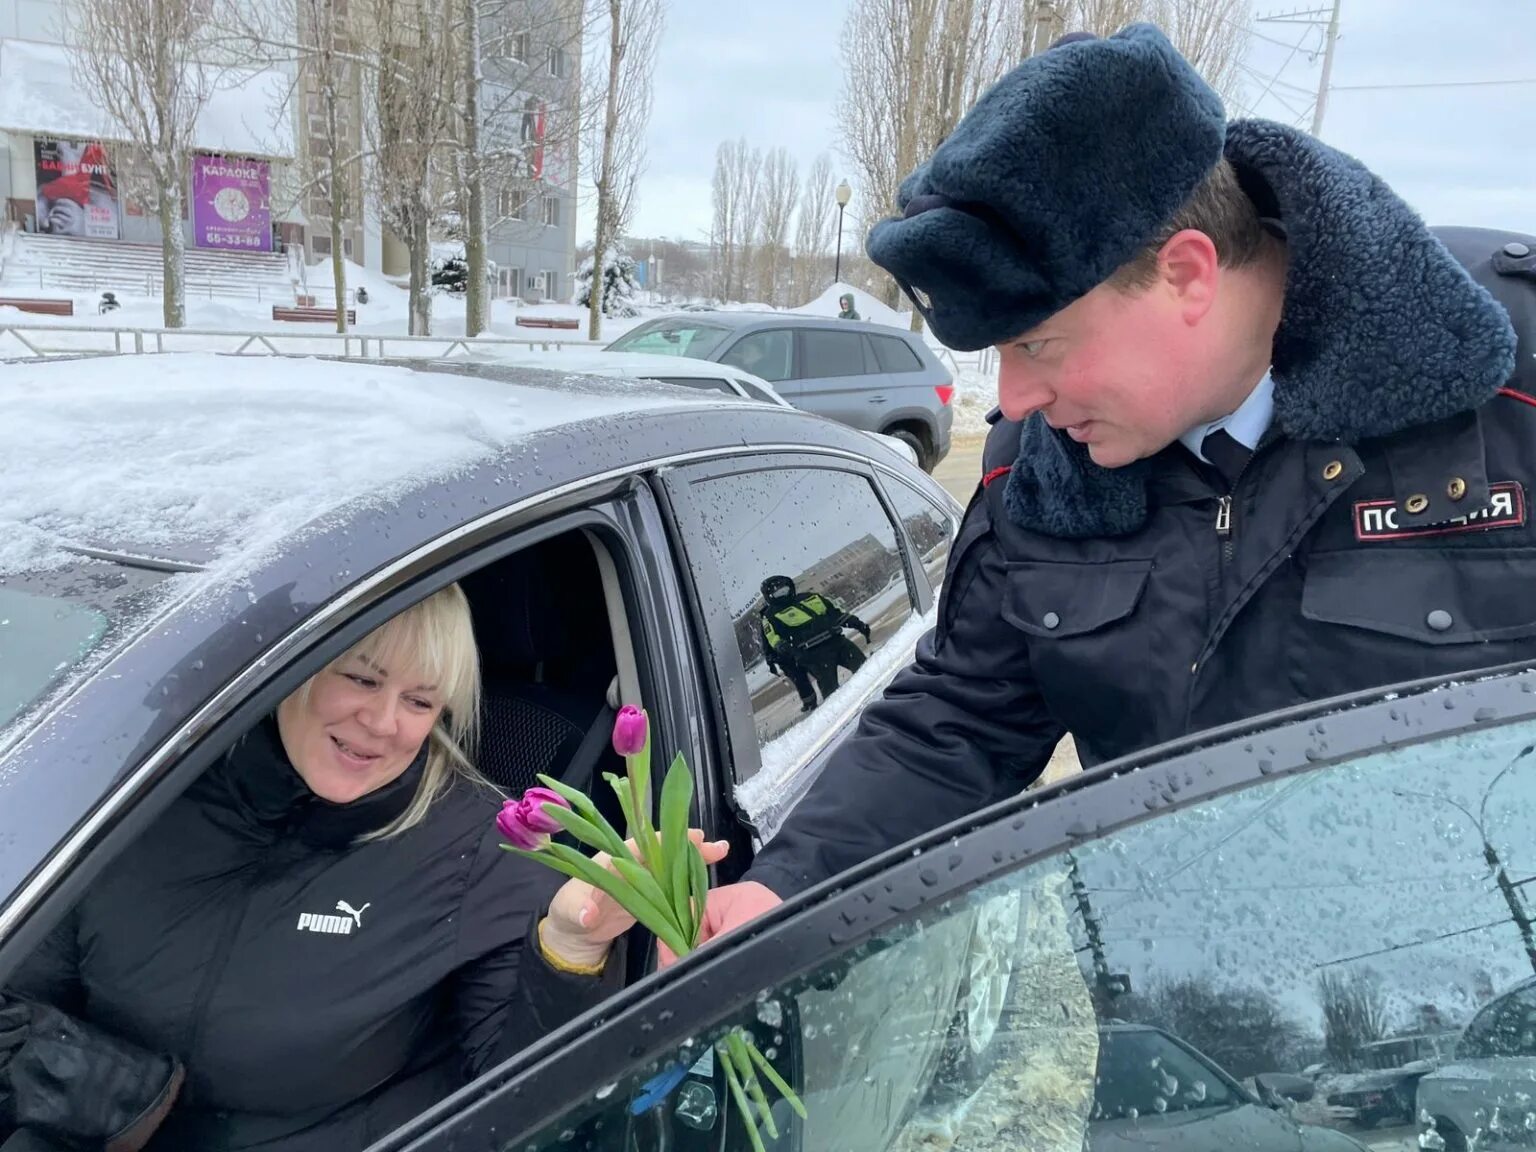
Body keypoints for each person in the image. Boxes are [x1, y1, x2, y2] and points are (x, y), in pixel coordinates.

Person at [691, 24, 1536, 941]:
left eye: (1036, 344)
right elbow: (962, 720)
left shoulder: (1502, 383)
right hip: (1176, 1017)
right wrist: (787, 889)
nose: (1013, 398)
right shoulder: (1043, 471)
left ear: (1185, 275)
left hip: (1473, 1017)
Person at [0, 583, 727, 1152]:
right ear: (288, 670)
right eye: (360, 677)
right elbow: (23, 986)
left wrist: (570, 947)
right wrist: (98, 1085)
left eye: (419, 701)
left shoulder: (477, 850)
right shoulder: (142, 794)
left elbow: (529, 1092)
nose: (385, 725)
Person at [757, 575, 871, 712]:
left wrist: (857, 624)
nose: (782, 593)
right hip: (813, 655)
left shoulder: (810, 597)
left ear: (791, 587)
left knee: (868, 670)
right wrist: (793, 652)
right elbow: (774, 640)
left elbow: (836, 615)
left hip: (838, 643)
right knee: (834, 698)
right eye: (777, 593)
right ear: (769, 596)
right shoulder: (769, 616)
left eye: (784, 589)